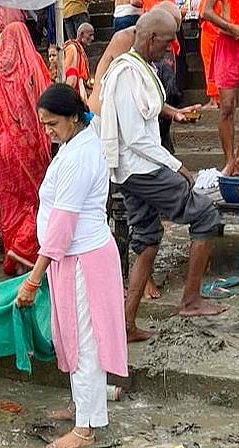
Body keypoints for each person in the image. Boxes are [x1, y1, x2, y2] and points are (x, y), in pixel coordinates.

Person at [100, 10, 224, 342]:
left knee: (147, 239)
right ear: (151, 38)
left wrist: (174, 113)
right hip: (142, 168)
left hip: (134, 170)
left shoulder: (138, 67)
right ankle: (191, 300)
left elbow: (146, 109)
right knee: (206, 215)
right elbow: (136, 138)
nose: (169, 49)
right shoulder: (126, 71)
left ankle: (126, 324)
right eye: (167, 42)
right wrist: (176, 165)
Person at [16, 84, 127, 448]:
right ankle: (82, 405)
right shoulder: (73, 144)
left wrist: (32, 279)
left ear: (73, 117)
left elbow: (63, 225)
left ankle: (86, 429)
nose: (47, 130)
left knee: (85, 340)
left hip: (82, 259)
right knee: (72, 336)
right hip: (70, 258)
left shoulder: (81, 154)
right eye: (44, 124)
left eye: (52, 124)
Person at [0, 22, 51, 276]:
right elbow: (47, 99)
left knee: (9, 199)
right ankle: (23, 249)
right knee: (37, 195)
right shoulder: (34, 65)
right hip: (28, 140)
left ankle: (14, 256)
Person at [202, 0, 239, 175]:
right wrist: (231, 27)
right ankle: (230, 161)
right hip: (227, 44)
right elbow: (206, 12)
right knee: (226, 106)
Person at [198, 0, 221, 109]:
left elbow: (204, 13)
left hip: (211, 31)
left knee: (210, 65)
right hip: (220, 30)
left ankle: (214, 99)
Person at [64, 23, 94, 102]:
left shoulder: (79, 49)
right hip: (74, 91)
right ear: (81, 34)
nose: (92, 38)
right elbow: (68, 73)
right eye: (90, 35)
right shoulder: (72, 48)